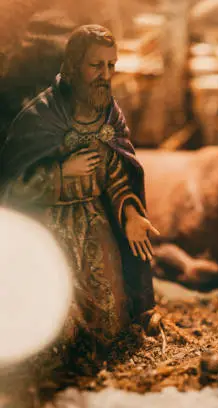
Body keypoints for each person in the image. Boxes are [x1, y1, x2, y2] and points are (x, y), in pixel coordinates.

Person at [0, 24, 160, 349]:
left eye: (111, 65)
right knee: (57, 329)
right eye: (96, 65)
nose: (105, 74)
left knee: (110, 323)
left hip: (96, 224)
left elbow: (117, 170)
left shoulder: (109, 115)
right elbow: (13, 190)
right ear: (73, 65)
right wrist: (61, 173)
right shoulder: (39, 118)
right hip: (49, 229)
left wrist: (130, 213)